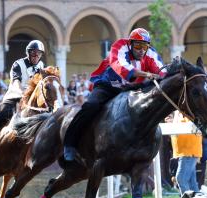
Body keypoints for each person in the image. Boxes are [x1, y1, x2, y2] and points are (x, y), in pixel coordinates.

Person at [63, 28, 165, 163]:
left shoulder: (151, 54)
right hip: (107, 86)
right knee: (91, 106)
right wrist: (146, 74)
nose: (141, 50)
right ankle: (69, 143)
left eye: (145, 46)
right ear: (130, 44)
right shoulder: (119, 46)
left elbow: (163, 71)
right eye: (138, 46)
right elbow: (122, 67)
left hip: (129, 90)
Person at [0, 40, 45, 165]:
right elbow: (16, 82)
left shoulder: (41, 65)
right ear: (28, 53)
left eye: (39, 54)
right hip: (16, 97)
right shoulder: (18, 64)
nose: (36, 56)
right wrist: (23, 93)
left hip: (33, 101)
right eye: (34, 53)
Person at [170, 111, 202, 198]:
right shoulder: (178, 112)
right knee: (192, 183)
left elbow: (190, 126)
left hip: (188, 151)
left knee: (181, 179)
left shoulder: (190, 111)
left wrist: (173, 123)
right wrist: (171, 123)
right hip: (184, 152)